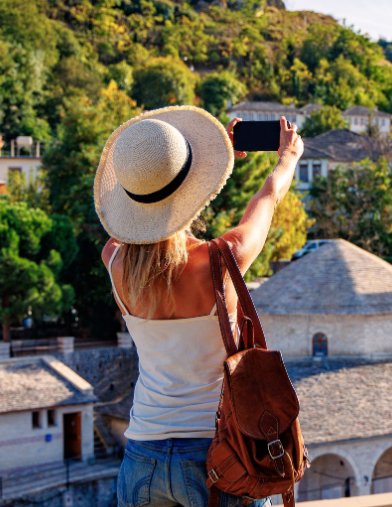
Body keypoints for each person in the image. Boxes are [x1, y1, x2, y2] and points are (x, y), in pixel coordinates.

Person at [94, 106, 302, 507]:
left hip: (142, 456)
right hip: (219, 457)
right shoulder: (223, 260)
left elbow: (137, 229)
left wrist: (195, 167)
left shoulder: (114, 262)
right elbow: (269, 196)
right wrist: (287, 156)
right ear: (193, 189)